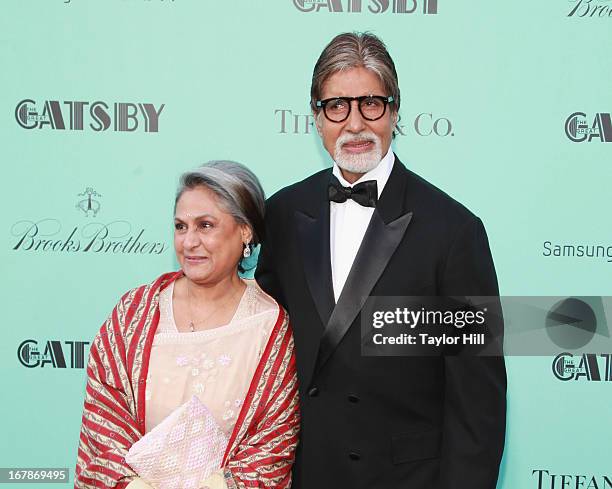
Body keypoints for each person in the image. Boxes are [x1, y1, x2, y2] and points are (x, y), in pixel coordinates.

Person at [256, 32, 507, 488]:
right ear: (316, 117)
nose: (354, 124)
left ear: (394, 109)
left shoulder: (453, 231)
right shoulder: (284, 215)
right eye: (336, 106)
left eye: (370, 103)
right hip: (307, 476)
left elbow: (478, 405)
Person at [75, 161, 299, 489]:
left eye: (205, 225)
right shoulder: (133, 315)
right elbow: (103, 426)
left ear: (245, 231)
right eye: (181, 227)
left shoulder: (271, 328)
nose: (188, 242)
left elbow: (273, 444)